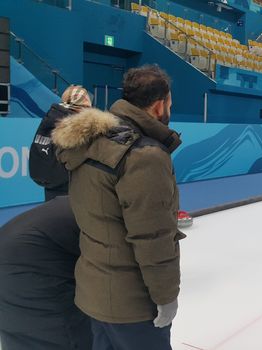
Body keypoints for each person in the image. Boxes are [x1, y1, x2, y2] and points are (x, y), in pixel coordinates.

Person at [52, 65, 184, 350]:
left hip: (94, 294)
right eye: (171, 103)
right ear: (160, 105)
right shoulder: (145, 156)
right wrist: (165, 296)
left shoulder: (93, 141)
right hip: (131, 305)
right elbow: (152, 237)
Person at [0, 196, 92, 350]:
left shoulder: (86, 202)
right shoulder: (108, 216)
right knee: (66, 337)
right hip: (28, 269)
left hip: (18, 259)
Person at [29, 85, 92, 201]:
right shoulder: (75, 124)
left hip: (50, 186)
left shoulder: (50, 118)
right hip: (69, 189)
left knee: (54, 216)